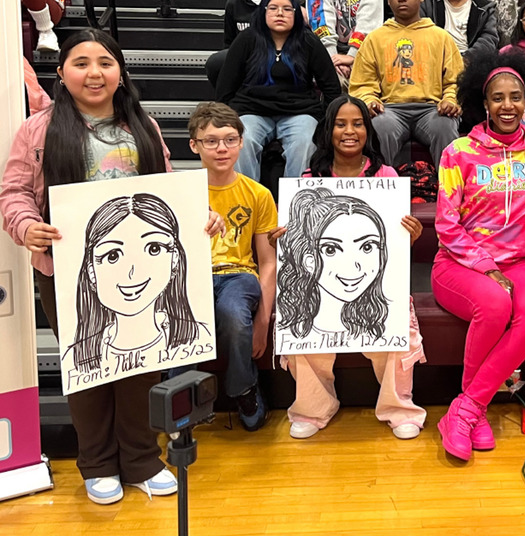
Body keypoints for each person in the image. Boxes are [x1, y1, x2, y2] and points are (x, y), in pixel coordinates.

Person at [0, 29, 222, 505]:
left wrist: (199, 215)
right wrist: (26, 226)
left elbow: (166, 190)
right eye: (80, 63)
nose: (94, 73)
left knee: (140, 362)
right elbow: (14, 191)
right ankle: (98, 463)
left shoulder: (143, 125)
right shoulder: (37, 129)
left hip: (141, 267)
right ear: (61, 74)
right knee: (89, 363)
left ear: (120, 72)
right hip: (68, 271)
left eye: (105, 62)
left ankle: (141, 459)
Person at [278, 95, 427, 440]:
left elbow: (392, 248)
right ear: (327, 131)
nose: (349, 131)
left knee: (399, 322)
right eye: (340, 124)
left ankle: (399, 407)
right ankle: (312, 408)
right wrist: (283, 239)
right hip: (323, 284)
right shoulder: (310, 178)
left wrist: (411, 236)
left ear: (368, 129)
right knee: (299, 320)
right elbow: (300, 244)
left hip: (372, 283)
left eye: (357, 123)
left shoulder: (387, 176)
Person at [432, 50, 525, 460]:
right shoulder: (458, 152)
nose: (507, 106)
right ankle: (474, 411)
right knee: (496, 304)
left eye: (516, 97)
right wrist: (485, 267)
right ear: (483, 102)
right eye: (497, 97)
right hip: (459, 262)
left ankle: (467, 409)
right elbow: (446, 225)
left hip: (519, 260)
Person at [186, 102, 277, 432]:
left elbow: (268, 261)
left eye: (229, 140)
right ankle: (179, 395)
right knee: (180, 318)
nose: (221, 148)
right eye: (211, 141)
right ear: (194, 145)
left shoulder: (258, 194)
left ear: (241, 142)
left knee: (233, 314)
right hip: (191, 275)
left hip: (239, 275)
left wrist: (263, 321)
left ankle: (244, 388)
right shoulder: (181, 192)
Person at [216, 0, 341, 181]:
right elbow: (225, 87)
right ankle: (247, 197)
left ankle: (296, 199)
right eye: (273, 8)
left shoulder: (309, 41)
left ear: (296, 13)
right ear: (263, 11)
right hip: (252, 111)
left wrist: (324, 122)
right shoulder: (247, 39)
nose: (280, 13)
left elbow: (331, 87)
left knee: (304, 143)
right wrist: (228, 119)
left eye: (287, 8)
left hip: (299, 112)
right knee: (241, 141)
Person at [349, 0, 463, 167]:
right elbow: (362, 83)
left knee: (444, 127)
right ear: (387, 0)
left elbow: (457, 79)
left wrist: (450, 99)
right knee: (380, 127)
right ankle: (381, 182)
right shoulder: (375, 38)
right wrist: (369, 100)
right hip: (390, 110)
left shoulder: (440, 37)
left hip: (432, 109)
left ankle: (449, 184)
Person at [205, 0, 279, 87]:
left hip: (276, 56)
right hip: (244, 56)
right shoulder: (233, 3)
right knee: (216, 62)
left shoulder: (282, 2)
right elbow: (229, 42)